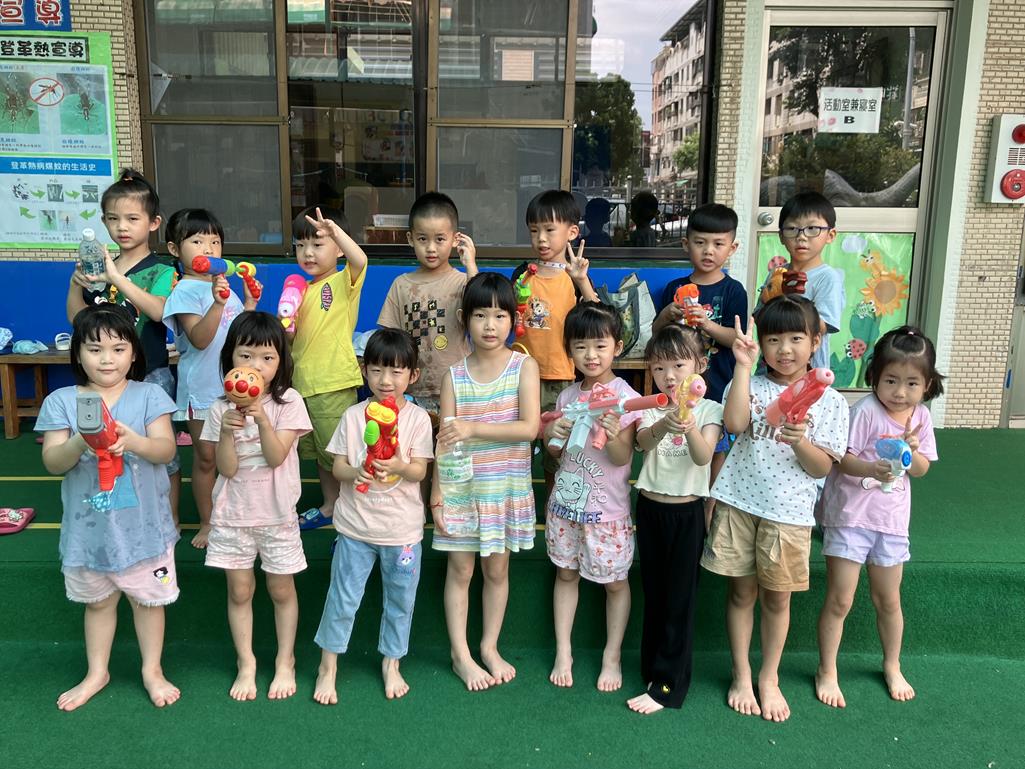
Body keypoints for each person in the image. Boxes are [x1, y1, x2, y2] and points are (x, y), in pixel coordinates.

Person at [701, 295, 849, 722]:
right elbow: (734, 425)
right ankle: (741, 673)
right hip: (739, 502)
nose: (785, 349)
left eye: (796, 339)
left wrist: (800, 441)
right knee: (741, 593)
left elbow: (822, 467)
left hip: (789, 514)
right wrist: (742, 367)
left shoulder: (832, 402)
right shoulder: (751, 385)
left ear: (816, 341)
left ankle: (769, 677)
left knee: (778, 600)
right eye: (773, 339)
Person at [35, 304, 180, 711]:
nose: (106, 359)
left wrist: (134, 442)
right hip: (90, 533)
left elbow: (166, 450)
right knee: (98, 603)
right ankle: (97, 671)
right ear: (78, 354)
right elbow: (53, 462)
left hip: (145, 531)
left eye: (118, 349)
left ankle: (152, 669)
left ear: (133, 354)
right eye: (94, 349)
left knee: (148, 602)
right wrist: (80, 441)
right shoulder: (62, 401)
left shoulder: (149, 394)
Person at [816, 327, 942, 708]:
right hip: (850, 517)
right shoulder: (865, 411)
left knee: (889, 600)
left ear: (927, 384)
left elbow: (921, 469)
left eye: (911, 383)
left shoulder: (921, 417)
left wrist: (912, 451)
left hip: (890, 523)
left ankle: (892, 664)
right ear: (874, 375)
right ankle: (827, 670)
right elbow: (843, 459)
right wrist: (872, 469)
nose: (899, 392)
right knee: (840, 599)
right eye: (891, 380)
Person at [431, 273, 540, 691]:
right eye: (480, 315)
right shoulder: (453, 376)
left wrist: (474, 428)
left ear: (513, 319)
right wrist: (437, 495)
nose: (490, 325)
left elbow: (529, 428)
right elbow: (445, 441)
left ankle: (489, 647)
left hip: (504, 489)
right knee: (460, 570)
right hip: (462, 490)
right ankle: (460, 655)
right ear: (465, 318)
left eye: (499, 316)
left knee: (497, 570)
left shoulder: (523, 367)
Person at [313, 329, 434, 705]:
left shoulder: (418, 419)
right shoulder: (353, 416)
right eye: (378, 370)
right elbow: (338, 467)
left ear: (413, 375)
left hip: (402, 532)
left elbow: (419, 471)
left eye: (397, 371)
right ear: (364, 370)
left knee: (401, 601)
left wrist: (399, 466)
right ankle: (327, 666)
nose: (386, 380)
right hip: (355, 529)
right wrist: (357, 472)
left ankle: (391, 662)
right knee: (342, 598)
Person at [200, 311, 312, 701]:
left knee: (281, 589)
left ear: (281, 361)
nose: (256, 366)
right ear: (230, 357)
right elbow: (226, 469)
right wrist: (227, 433)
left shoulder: (289, 402)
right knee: (239, 591)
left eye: (267, 358)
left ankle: (285, 660)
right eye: (245, 356)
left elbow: (277, 456)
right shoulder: (220, 408)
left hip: (277, 514)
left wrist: (262, 419)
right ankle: (245, 662)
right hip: (233, 516)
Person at [65, 169, 182, 522]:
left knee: (163, 455)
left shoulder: (163, 270)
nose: (122, 227)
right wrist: (75, 284)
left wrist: (117, 278)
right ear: (103, 222)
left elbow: (159, 311)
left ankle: (168, 519)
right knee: (112, 447)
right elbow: (78, 320)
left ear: (153, 223)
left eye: (132, 218)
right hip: (105, 379)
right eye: (113, 219)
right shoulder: (98, 269)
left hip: (151, 375)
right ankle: (123, 515)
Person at [543, 302, 641, 693]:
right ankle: (563, 651)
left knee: (615, 583)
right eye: (580, 346)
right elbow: (555, 453)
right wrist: (554, 435)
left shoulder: (626, 395)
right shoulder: (567, 396)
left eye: (600, 345)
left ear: (617, 346)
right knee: (565, 574)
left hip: (607, 512)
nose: (591, 355)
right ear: (569, 349)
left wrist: (614, 432)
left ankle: (611, 656)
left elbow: (621, 457)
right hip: (566, 508)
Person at [627, 325, 723, 714]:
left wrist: (690, 425)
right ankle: (653, 669)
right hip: (650, 509)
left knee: (679, 599)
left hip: (687, 513)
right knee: (655, 593)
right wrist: (664, 423)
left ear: (700, 365)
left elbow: (703, 457)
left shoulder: (710, 409)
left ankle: (669, 687)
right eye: (659, 367)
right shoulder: (649, 405)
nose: (669, 376)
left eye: (679, 365)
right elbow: (641, 443)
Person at [162, 209, 260, 548]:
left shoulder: (225, 288)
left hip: (236, 389)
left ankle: (238, 515)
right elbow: (201, 339)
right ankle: (208, 521)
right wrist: (218, 304)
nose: (208, 249)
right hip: (203, 391)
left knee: (237, 456)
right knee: (207, 459)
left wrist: (249, 304)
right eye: (197, 241)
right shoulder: (184, 292)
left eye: (215, 242)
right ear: (175, 249)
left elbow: (239, 337)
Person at [652, 203, 750, 527]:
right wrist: (667, 314)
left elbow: (737, 339)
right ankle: (680, 493)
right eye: (700, 242)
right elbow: (659, 335)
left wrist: (706, 324)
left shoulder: (733, 290)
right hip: (677, 385)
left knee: (716, 448)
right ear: (686, 244)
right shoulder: (674, 288)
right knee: (679, 440)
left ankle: (709, 508)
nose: (709, 251)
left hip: (717, 384)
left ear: (732, 248)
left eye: (718, 244)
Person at [289, 206, 369, 531]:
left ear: (338, 248)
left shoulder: (341, 281)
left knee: (340, 453)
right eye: (300, 245)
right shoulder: (299, 290)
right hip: (302, 385)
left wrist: (336, 232)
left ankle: (351, 510)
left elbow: (360, 260)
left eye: (318, 244)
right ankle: (330, 504)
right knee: (320, 455)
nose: (308, 252)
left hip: (333, 383)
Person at [512, 190, 597, 487]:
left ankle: (553, 504)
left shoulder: (575, 276)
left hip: (561, 378)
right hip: (521, 375)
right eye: (534, 231)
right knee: (519, 450)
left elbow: (598, 319)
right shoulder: (523, 273)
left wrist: (582, 281)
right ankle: (519, 502)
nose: (541, 239)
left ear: (572, 232)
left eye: (549, 230)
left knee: (557, 453)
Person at [378, 192, 478, 420]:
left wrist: (471, 265)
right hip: (412, 391)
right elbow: (390, 339)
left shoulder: (463, 282)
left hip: (457, 388)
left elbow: (480, 308)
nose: (431, 248)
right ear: (410, 238)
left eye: (440, 239)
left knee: (452, 442)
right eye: (423, 239)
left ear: (455, 239)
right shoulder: (401, 285)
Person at [755, 191, 845, 371]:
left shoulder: (828, 278)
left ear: (830, 235)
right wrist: (770, 299)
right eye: (792, 229)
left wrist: (792, 301)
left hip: (808, 373)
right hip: (769, 368)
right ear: (781, 236)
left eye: (812, 229)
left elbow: (823, 326)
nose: (801, 236)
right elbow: (758, 318)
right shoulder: (776, 273)